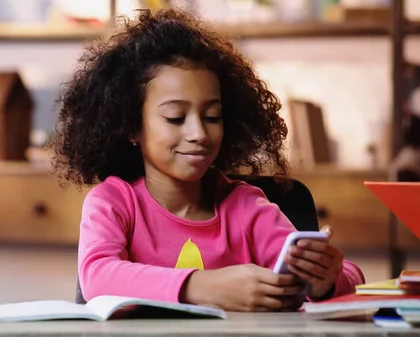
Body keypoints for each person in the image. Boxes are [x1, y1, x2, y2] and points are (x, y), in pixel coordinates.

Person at [48, 8, 365, 312]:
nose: (199, 132)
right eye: (175, 118)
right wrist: (204, 287)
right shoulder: (114, 202)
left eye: (212, 116)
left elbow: (352, 276)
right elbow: (98, 277)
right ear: (133, 126)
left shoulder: (246, 207)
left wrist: (326, 280)